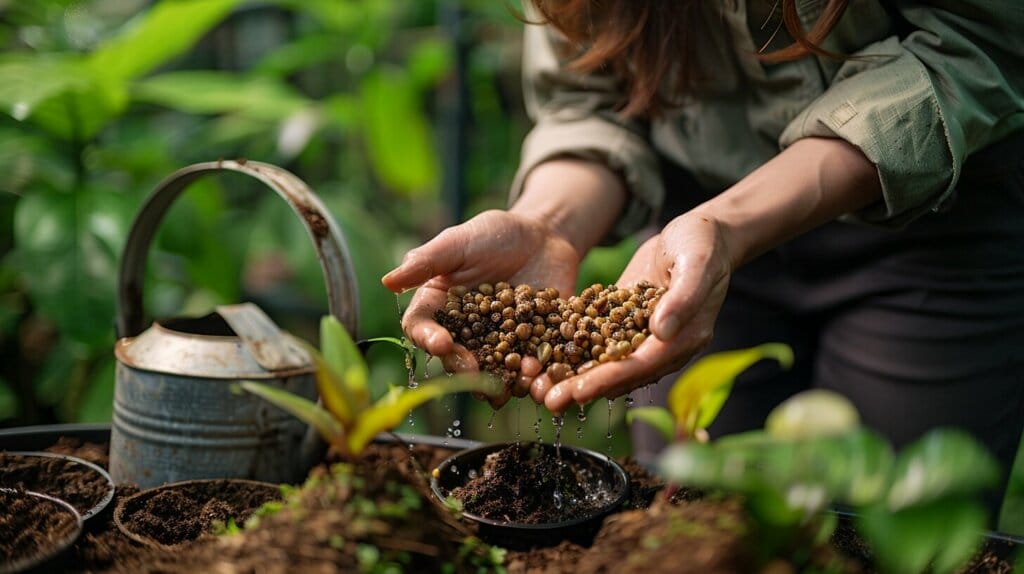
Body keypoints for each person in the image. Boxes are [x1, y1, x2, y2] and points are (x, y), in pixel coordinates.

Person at [383, 0, 1024, 508]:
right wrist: (545, 224)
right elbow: (588, 100)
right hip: (688, 244)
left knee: (880, 525)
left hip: (931, 222)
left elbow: (977, 45)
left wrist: (730, 223)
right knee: (687, 519)